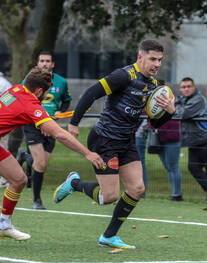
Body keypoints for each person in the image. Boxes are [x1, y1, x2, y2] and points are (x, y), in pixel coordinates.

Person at [53, 39, 175, 250]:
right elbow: (90, 93)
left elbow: (154, 122)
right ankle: (74, 183)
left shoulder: (154, 86)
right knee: (108, 197)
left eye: (160, 60)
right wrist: (74, 123)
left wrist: (170, 112)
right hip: (104, 139)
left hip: (126, 141)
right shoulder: (123, 76)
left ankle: (109, 236)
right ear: (140, 57)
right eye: (152, 59)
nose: (156, 64)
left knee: (137, 189)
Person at [0, 67, 103, 241]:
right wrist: (88, 153)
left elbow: (18, 111)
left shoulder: (16, 89)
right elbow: (60, 134)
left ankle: (3, 224)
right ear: (39, 91)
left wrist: (43, 120)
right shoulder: (30, 105)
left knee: (19, 180)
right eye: (46, 93)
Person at [18, 51, 72, 209]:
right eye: (42, 61)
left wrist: (60, 112)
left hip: (51, 124)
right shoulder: (29, 80)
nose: (45, 64)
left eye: (48, 61)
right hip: (32, 123)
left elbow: (66, 101)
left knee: (43, 164)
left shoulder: (61, 82)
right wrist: (40, 121)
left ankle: (25, 156)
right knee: (40, 163)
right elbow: (22, 99)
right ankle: (37, 201)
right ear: (37, 63)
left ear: (53, 64)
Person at [175, 77, 207, 204]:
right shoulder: (182, 100)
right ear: (180, 89)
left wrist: (174, 108)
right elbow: (175, 109)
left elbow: (183, 114)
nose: (186, 89)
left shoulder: (198, 99)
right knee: (193, 167)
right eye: (183, 87)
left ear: (194, 87)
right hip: (193, 141)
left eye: (189, 86)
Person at [149, 119, 183, 201]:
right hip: (158, 137)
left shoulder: (175, 106)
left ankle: (177, 195)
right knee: (168, 167)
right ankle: (175, 193)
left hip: (172, 136)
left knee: (173, 166)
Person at [0, 71, 12, 188]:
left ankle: (5, 179)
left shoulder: (3, 83)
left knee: (3, 149)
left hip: (2, 123)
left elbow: (7, 102)